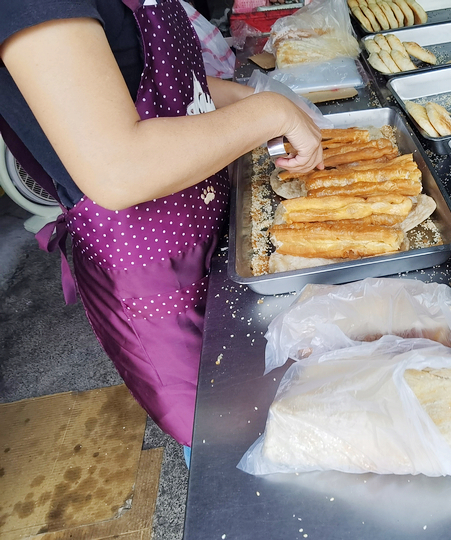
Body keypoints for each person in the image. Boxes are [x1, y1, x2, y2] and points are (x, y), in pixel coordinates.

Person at [0, 0, 324, 457]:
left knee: (295, 400)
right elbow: (118, 168)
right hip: (153, 273)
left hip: (215, 231)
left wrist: (256, 103)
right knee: (240, 437)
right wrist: (270, 113)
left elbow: (162, 87)